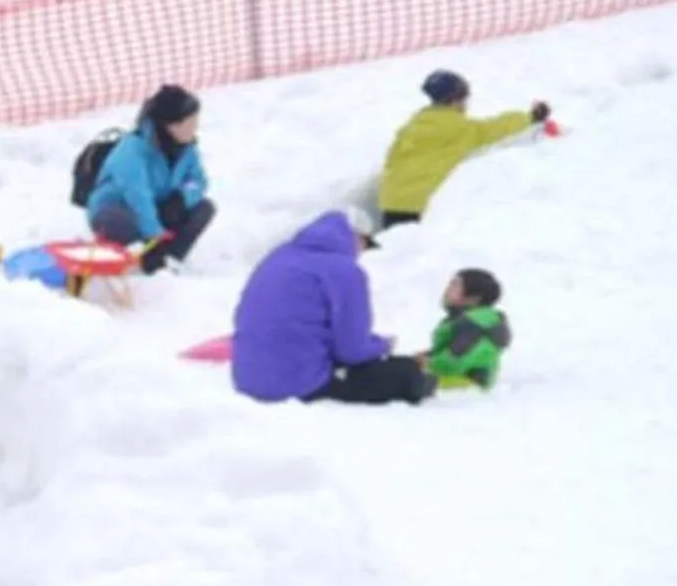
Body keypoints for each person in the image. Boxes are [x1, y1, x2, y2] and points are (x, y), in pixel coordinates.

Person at [230, 211, 434, 406]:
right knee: (406, 373)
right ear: (356, 237)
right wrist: (383, 345)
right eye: (365, 245)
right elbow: (352, 350)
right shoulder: (345, 271)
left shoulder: (279, 255)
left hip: (247, 378)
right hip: (299, 383)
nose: (362, 253)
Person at [378, 71, 550, 227]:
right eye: (464, 98)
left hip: (390, 201)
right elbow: (494, 128)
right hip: (418, 206)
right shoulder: (459, 128)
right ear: (454, 99)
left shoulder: (414, 124)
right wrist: (531, 117)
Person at [85, 84, 214, 275]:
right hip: (120, 208)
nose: (195, 127)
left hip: (157, 206)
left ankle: (168, 261)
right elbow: (138, 196)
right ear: (171, 125)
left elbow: (198, 181)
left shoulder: (187, 148)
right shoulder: (132, 151)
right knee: (122, 222)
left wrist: (181, 199)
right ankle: (133, 261)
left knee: (203, 208)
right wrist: (155, 235)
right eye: (191, 122)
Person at [426, 266, 511, 390]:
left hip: (464, 384)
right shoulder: (469, 319)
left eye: (455, 285)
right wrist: (429, 355)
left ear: (473, 298)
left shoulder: (474, 323)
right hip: (461, 382)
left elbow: (455, 360)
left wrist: (426, 364)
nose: (447, 289)